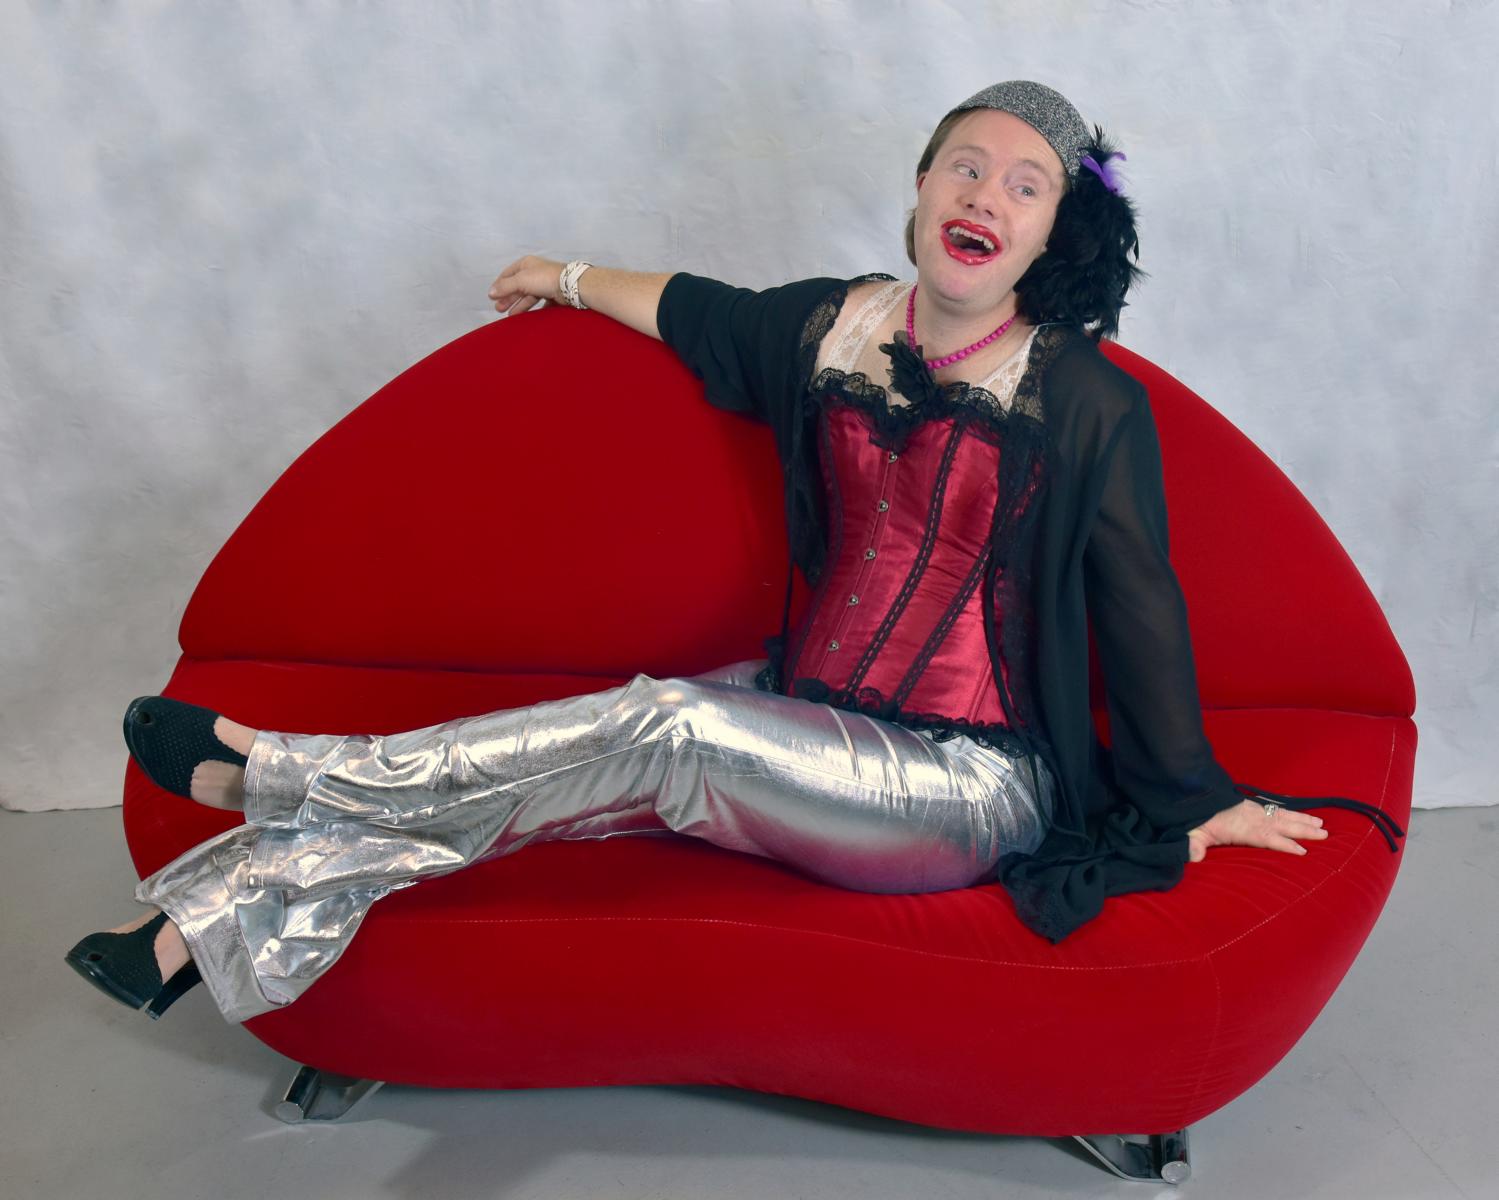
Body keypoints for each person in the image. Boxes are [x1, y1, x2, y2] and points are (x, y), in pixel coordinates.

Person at [67, 81, 1401, 1025]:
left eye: (1024, 184)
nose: (985, 193)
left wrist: (1191, 797)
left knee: (668, 726)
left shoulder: (1085, 401)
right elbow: (696, 310)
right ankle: (200, 925)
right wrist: (568, 276)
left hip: (967, 781)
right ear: (921, 188)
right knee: (585, 763)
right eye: (964, 165)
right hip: (803, 705)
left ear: (1055, 235)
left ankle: (290, 771)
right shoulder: (837, 325)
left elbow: (1141, 603)